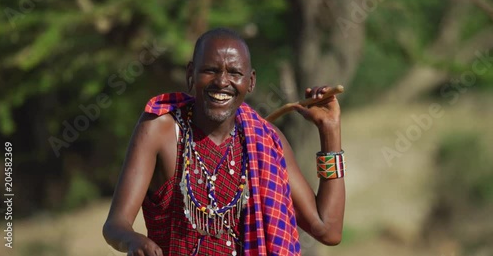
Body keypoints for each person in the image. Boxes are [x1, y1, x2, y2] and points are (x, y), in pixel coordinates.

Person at [103, 28, 345, 256]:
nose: (222, 81)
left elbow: (328, 229)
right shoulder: (160, 130)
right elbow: (115, 224)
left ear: (250, 82)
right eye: (210, 70)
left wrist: (330, 131)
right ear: (190, 75)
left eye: (235, 73)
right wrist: (132, 240)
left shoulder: (266, 142)